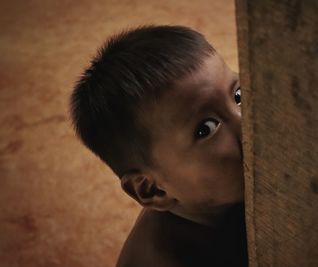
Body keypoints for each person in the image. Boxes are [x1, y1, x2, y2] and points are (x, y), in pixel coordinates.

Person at [70, 25, 247, 267]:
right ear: (153, 190)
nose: (244, 121)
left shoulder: (213, 199)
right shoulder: (171, 259)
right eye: (206, 128)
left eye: (238, 95)